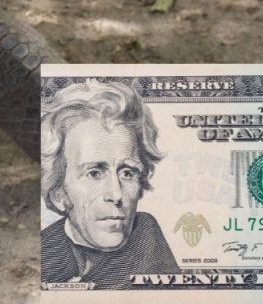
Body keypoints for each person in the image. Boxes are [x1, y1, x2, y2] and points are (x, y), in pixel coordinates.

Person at [41, 80, 179, 288]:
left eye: (127, 172)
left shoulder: (147, 243)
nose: (116, 194)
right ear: (58, 193)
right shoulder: (46, 246)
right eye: (94, 173)